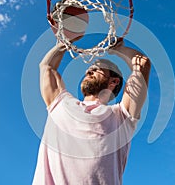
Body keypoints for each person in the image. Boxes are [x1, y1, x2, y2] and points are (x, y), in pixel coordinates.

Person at [33, 39, 151, 185]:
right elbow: (46, 66)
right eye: (90, 69)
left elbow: (142, 65)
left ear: (113, 82)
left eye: (97, 69)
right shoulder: (61, 103)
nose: (89, 70)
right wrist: (64, 42)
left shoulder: (121, 116)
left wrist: (118, 49)